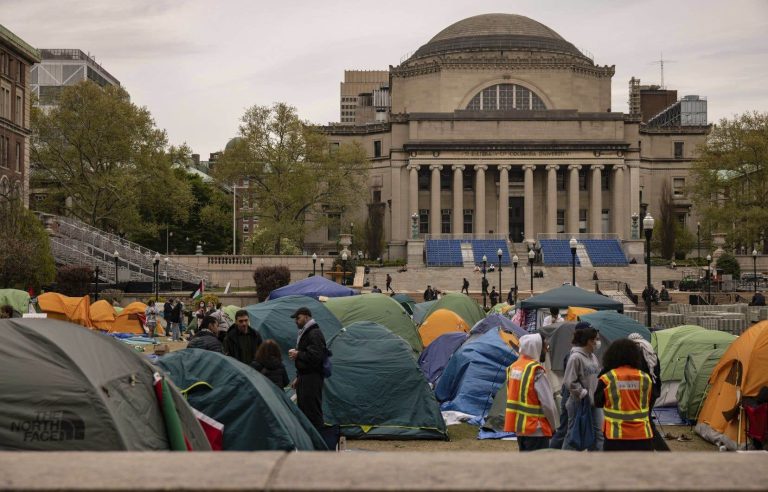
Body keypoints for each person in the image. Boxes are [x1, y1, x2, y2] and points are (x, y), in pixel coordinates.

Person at [594, 339, 654, 451]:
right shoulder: (645, 378)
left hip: (615, 436)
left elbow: (598, 403)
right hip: (642, 435)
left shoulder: (607, 378)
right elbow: (648, 403)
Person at [504, 333, 557, 451]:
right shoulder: (536, 371)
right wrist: (553, 427)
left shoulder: (513, 368)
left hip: (520, 429)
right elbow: (548, 405)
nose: (546, 350)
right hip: (536, 429)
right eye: (544, 347)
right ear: (537, 347)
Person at [549, 321, 591, 449]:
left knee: (569, 428)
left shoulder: (587, 355)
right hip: (571, 396)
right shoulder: (573, 356)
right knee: (565, 429)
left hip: (577, 396)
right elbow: (571, 380)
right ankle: (551, 452)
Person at [561, 326, 604, 451]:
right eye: (597, 339)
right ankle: (564, 461)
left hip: (594, 402)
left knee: (599, 434)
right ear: (590, 341)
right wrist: (582, 393)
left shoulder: (593, 357)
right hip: (579, 403)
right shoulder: (575, 357)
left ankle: (596, 463)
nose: (598, 342)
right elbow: (569, 381)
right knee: (573, 435)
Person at [628, 332, 669, 451]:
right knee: (645, 421)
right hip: (653, 392)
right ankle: (646, 448)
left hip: (643, 393)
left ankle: (662, 450)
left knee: (647, 423)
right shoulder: (651, 352)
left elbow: (638, 375)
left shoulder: (637, 353)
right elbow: (658, 374)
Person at [288, 307, 327, 429]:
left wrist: (297, 354)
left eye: (298, 318)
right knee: (305, 410)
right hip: (305, 377)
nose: (296, 321)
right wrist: (299, 377)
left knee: (312, 411)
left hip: (312, 378)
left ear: (306, 317)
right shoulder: (306, 332)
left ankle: (318, 442)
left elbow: (316, 357)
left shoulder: (314, 333)